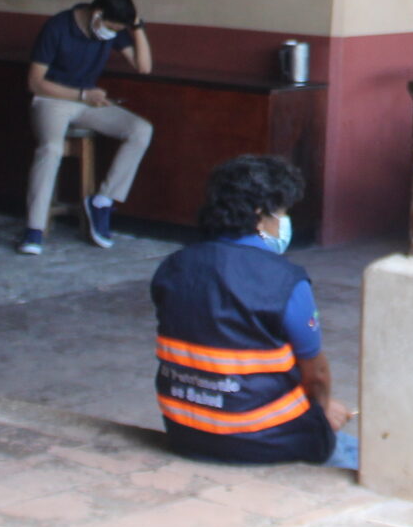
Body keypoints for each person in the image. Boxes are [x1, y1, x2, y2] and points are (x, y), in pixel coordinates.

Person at [151, 155, 357, 469]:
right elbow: (316, 374)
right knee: (359, 458)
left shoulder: (174, 267)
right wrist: (323, 410)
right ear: (260, 215)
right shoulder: (286, 280)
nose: (284, 222)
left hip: (184, 431)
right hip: (262, 439)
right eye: (283, 213)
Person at [23, 0, 156, 255]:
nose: (111, 32)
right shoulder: (58, 27)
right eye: (111, 26)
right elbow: (35, 83)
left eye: (117, 29)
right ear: (97, 13)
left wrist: (137, 27)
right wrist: (81, 94)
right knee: (51, 149)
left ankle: (102, 202)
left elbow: (144, 67)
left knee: (140, 130)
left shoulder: (113, 30)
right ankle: (34, 229)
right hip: (53, 99)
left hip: (87, 102)